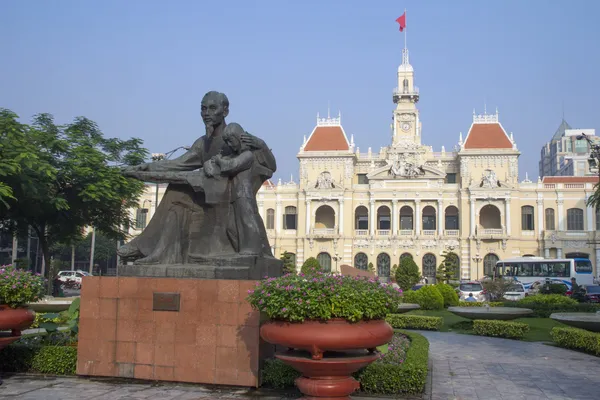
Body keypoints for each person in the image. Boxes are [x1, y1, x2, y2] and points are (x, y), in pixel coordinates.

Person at [118, 91, 276, 264]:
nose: (206, 113)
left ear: (225, 111)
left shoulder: (236, 136)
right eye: (203, 109)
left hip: (228, 199)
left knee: (177, 191)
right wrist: (147, 167)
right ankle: (161, 253)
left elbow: (268, 165)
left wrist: (261, 146)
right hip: (207, 195)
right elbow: (178, 164)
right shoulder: (202, 143)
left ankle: (143, 246)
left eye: (212, 108)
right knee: (176, 194)